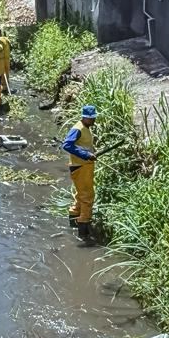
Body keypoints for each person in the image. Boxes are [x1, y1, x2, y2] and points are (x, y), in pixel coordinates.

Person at [62, 104, 98, 243]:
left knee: (81, 194)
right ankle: (84, 230)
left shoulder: (85, 128)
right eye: (92, 118)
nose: (94, 120)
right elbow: (67, 145)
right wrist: (85, 154)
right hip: (81, 166)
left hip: (84, 166)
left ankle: (74, 217)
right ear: (85, 118)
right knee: (87, 196)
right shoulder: (78, 129)